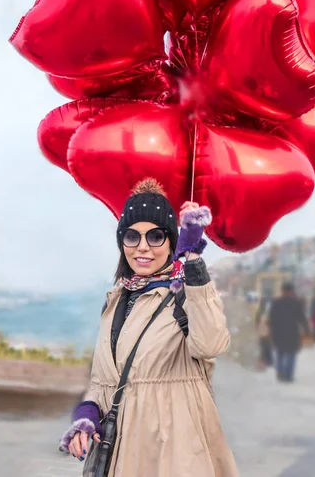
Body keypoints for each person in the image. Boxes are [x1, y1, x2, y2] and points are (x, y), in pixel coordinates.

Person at [59, 179, 238, 477]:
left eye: (155, 236)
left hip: (176, 457)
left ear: (171, 241)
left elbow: (211, 344)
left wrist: (192, 260)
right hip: (123, 456)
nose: (143, 247)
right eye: (132, 236)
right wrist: (86, 416)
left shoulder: (185, 294)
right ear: (122, 242)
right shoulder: (116, 300)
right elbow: (103, 382)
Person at [269, 282, 310, 382]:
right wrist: (307, 330)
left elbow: (271, 319)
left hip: (279, 332)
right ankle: (288, 375)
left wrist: (271, 331)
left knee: (280, 353)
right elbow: (302, 318)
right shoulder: (296, 303)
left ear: (282, 291)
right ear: (292, 291)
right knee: (291, 354)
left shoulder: (276, 303)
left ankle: (280, 372)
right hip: (292, 332)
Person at [254, 296, 273, 369]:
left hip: (262, 331)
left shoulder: (259, 312)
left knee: (263, 346)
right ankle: (266, 360)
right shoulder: (266, 312)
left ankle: (264, 360)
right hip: (265, 331)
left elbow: (256, 322)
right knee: (266, 346)